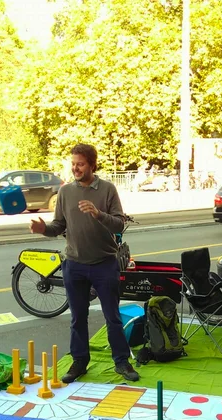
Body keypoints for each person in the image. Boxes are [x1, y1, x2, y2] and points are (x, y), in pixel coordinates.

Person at [30, 144, 140, 384]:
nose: (75, 168)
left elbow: (119, 225)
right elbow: (58, 226)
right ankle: (79, 362)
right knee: (77, 318)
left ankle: (122, 362)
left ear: (92, 164)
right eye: (73, 164)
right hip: (74, 264)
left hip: (104, 264)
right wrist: (43, 230)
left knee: (112, 316)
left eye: (80, 164)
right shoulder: (66, 192)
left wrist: (98, 214)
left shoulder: (108, 189)